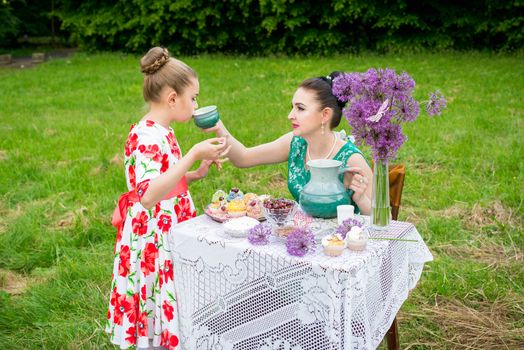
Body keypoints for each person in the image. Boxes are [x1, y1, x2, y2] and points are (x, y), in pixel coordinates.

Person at [106, 47, 230, 350]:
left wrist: (195, 173)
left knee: (169, 295)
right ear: (172, 98)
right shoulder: (148, 136)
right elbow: (148, 195)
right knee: (154, 296)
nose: (196, 104)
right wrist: (192, 155)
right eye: (194, 97)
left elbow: (165, 181)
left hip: (165, 228)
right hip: (152, 238)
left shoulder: (163, 130)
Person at [206, 72, 372, 214]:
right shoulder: (297, 144)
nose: (290, 115)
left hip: (339, 244)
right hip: (300, 237)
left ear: (325, 115)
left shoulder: (351, 159)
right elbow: (243, 157)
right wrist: (218, 126)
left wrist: (361, 198)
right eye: (292, 107)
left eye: (300, 108)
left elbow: (384, 222)